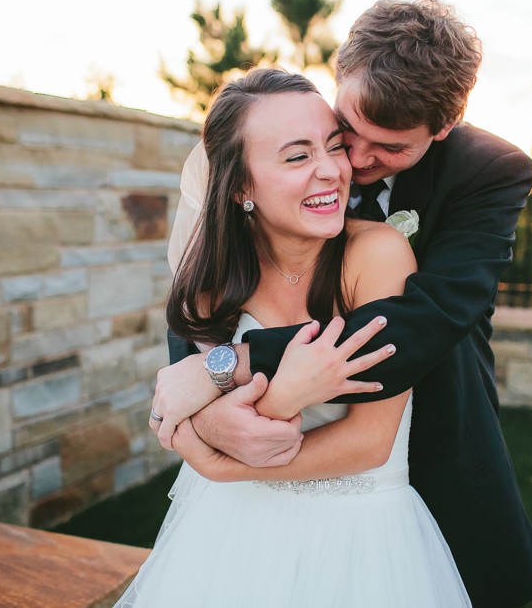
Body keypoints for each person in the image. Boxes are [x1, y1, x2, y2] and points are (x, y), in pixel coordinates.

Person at [153, 0, 532, 607]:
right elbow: (205, 295)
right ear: (341, 76)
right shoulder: (276, 144)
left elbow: (423, 323)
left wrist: (232, 366)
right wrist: (202, 409)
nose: (354, 163)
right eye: (348, 132)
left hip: (426, 439)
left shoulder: (487, 172)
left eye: (389, 148)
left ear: (442, 127)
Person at [119, 68, 470, 606]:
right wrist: (245, 409)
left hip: (363, 537)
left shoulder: (375, 255)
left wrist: (222, 463)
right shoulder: (214, 280)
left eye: (334, 147)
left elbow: (370, 442)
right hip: (231, 534)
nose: (332, 170)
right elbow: (185, 412)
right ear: (241, 186)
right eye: (297, 156)